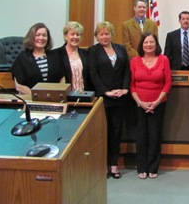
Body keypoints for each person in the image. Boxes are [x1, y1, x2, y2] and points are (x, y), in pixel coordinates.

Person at [89, 21, 130, 179]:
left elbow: (127, 69)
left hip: (119, 98)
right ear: (97, 36)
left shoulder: (120, 48)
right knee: (103, 133)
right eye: (101, 34)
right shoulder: (93, 51)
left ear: (112, 35)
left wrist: (125, 88)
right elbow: (93, 74)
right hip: (103, 99)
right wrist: (105, 92)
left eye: (107, 33)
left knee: (116, 132)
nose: (104, 36)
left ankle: (114, 165)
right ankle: (102, 165)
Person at [130, 32, 171, 180]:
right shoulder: (134, 61)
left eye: (151, 42)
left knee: (154, 136)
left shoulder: (163, 59)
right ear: (142, 45)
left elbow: (167, 83)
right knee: (141, 137)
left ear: (156, 44)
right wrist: (140, 103)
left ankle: (153, 168)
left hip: (158, 104)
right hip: (139, 104)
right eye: (146, 42)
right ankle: (142, 168)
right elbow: (132, 85)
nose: (148, 45)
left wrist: (156, 102)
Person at [11, 22, 64, 95]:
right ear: (31, 37)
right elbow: (19, 86)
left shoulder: (55, 56)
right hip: (31, 100)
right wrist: (37, 98)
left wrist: (56, 95)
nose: (41, 38)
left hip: (54, 100)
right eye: (37, 35)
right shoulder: (22, 58)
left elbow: (62, 79)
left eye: (44, 35)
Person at [55, 21, 93, 92]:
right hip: (65, 96)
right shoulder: (57, 54)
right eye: (72, 34)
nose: (75, 37)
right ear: (66, 36)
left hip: (84, 96)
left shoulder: (86, 53)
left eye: (78, 35)